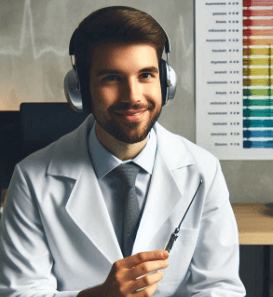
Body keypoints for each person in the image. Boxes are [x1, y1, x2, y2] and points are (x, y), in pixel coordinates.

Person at [0, 6, 246, 297]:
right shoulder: (31, 179)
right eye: (111, 78)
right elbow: (21, 292)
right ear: (80, 88)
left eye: (145, 75)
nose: (133, 97)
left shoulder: (203, 170)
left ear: (166, 83)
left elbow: (219, 288)